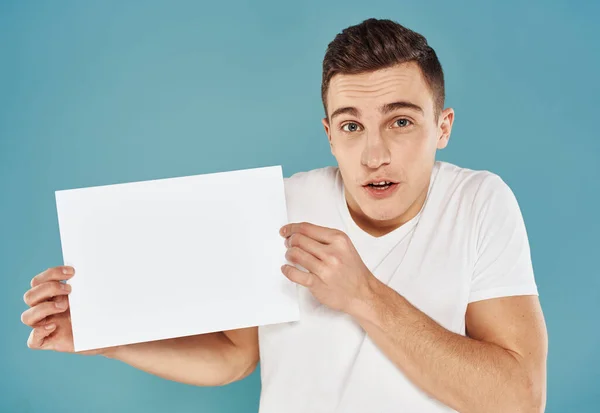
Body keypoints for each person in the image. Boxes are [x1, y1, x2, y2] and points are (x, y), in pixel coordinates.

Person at [20, 18, 548, 413]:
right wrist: (108, 334)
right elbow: (234, 357)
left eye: (402, 122)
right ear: (328, 136)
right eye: (351, 126)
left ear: (443, 127)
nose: (374, 154)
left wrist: (364, 297)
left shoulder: (480, 201)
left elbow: (520, 396)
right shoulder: (282, 204)